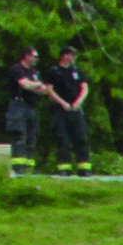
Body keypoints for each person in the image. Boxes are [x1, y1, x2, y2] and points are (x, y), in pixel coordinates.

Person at [44, 47, 92, 176]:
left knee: (81, 137)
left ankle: (84, 167)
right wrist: (62, 103)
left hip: (76, 109)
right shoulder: (54, 71)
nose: (73, 58)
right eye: (71, 55)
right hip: (61, 109)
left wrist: (78, 102)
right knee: (62, 138)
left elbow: (85, 88)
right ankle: (64, 168)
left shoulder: (77, 71)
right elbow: (49, 89)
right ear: (64, 56)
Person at [3, 47, 47, 176]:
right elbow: (24, 85)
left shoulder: (34, 72)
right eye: (34, 56)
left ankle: (29, 166)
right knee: (19, 134)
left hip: (32, 105)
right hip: (18, 105)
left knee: (32, 136)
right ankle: (18, 166)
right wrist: (36, 84)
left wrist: (35, 85)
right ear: (26, 56)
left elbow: (44, 90)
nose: (36, 59)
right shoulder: (16, 69)